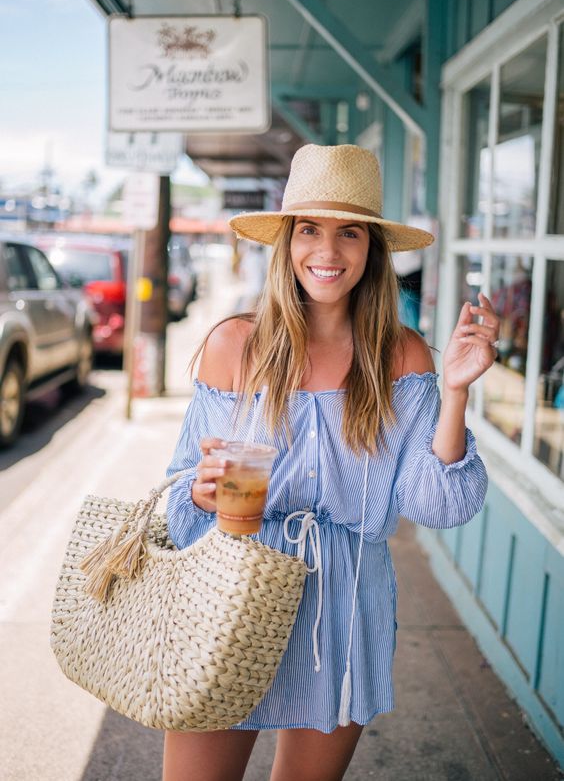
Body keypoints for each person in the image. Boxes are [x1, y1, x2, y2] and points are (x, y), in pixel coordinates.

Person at [163, 144, 499, 781]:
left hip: (343, 609)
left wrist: (455, 390)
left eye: (350, 233)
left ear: (372, 248)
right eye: (310, 229)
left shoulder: (402, 358)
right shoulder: (235, 345)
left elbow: (436, 505)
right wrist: (201, 494)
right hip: (228, 598)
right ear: (287, 242)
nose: (328, 251)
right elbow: (179, 497)